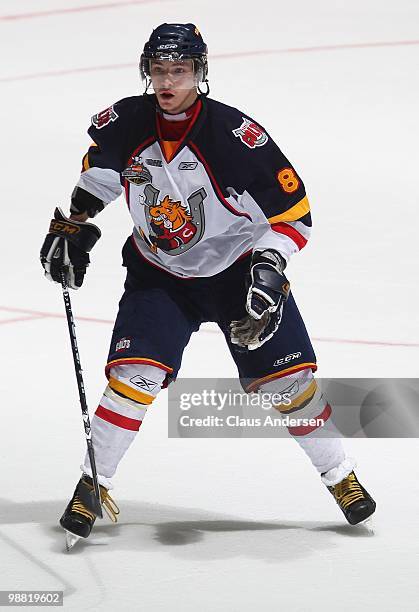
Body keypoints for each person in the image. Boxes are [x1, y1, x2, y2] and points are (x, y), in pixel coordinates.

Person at [40, 23, 376, 543]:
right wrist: (78, 220)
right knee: (134, 377)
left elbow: (295, 214)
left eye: (180, 70)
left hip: (236, 270)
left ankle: (341, 477)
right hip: (161, 272)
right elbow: (102, 173)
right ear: (146, 72)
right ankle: (92, 484)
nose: (168, 81)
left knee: (289, 385)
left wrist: (269, 268)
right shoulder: (127, 120)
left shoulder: (235, 137)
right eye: (158, 70)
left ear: (200, 72)